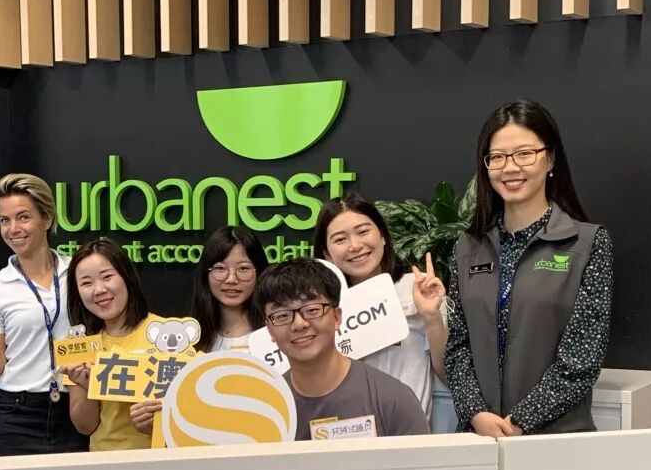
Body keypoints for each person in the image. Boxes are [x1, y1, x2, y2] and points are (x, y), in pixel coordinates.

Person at [445, 99, 613, 436]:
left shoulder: (587, 243)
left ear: (550, 159)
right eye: (497, 157)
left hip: (555, 440)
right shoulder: (467, 248)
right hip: (480, 439)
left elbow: (581, 359)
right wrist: (475, 413)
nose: (510, 168)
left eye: (524, 154)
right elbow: (458, 347)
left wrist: (520, 421)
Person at [0, 174, 88, 456]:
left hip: (76, 406)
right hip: (16, 413)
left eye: (23, 217)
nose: (13, 229)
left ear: (47, 218)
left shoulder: (79, 273)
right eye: (5, 220)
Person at [255, 258, 430, 439]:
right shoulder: (264, 412)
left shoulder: (394, 400)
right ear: (270, 330)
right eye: (282, 315)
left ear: (337, 317)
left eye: (312, 310)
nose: (299, 324)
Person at [313, 194, 447, 419]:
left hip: (407, 431)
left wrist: (432, 317)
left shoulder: (417, 289)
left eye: (363, 231)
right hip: (343, 432)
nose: (355, 246)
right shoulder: (318, 308)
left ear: (383, 236)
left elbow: (447, 374)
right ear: (327, 253)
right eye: (340, 239)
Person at [63, 240, 163, 451]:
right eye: (86, 283)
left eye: (107, 277)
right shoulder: (78, 346)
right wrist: (87, 386)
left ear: (126, 277)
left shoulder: (166, 334)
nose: (99, 290)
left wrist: (158, 419)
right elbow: (85, 427)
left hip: (161, 460)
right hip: (104, 460)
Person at [191, 226, 269, 352]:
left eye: (243, 268)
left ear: (259, 272)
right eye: (220, 268)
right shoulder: (188, 337)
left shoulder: (274, 336)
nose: (231, 279)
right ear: (206, 274)